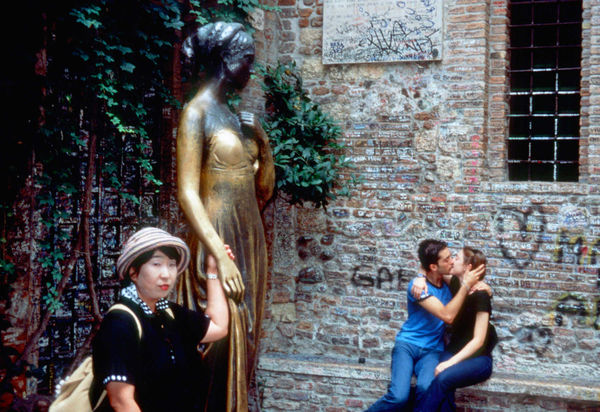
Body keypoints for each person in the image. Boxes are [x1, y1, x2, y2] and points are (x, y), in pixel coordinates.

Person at [175, 21, 275, 411]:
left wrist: (263, 143)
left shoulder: (233, 117)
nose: (251, 68)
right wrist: (218, 253)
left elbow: (263, 191)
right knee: (219, 338)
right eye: (247, 59)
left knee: (246, 337)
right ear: (226, 60)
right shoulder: (195, 113)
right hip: (219, 240)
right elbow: (186, 191)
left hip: (249, 237)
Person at [90, 227, 230, 412]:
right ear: (133, 272)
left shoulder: (168, 313)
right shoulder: (120, 322)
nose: (166, 274)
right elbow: (122, 402)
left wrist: (213, 272)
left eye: (171, 264)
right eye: (156, 264)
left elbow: (219, 327)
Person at [365, 239, 485, 412]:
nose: (451, 261)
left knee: (425, 389)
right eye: (446, 259)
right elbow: (448, 316)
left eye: (452, 257)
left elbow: (472, 284)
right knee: (399, 397)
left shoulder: (449, 282)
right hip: (407, 346)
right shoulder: (418, 288)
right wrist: (421, 277)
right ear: (434, 267)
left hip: (432, 350)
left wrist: (482, 286)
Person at [414, 247, 497, 412]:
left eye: (457, 258)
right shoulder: (453, 282)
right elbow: (427, 266)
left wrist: (448, 364)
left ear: (467, 268)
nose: (452, 261)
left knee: (443, 378)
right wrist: (420, 278)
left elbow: (479, 341)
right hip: (453, 350)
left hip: (478, 359)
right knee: (443, 384)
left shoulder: (480, 295)